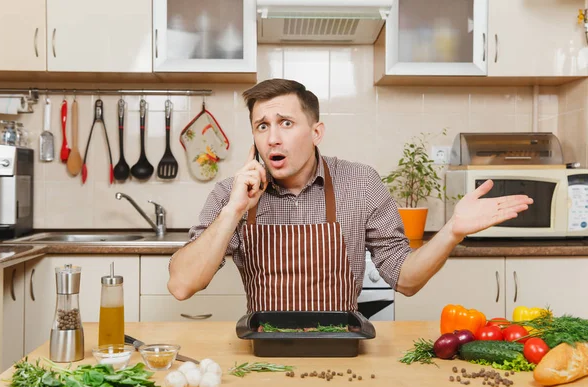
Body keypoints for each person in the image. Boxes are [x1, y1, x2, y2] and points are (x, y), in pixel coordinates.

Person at [167, 78, 533, 312]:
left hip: (344, 347)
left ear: (316, 132)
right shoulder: (232, 193)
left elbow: (405, 280)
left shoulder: (360, 183)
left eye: (286, 123)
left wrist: (452, 231)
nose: (273, 138)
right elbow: (182, 285)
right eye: (262, 126)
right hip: (263, 349)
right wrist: (233, 210)